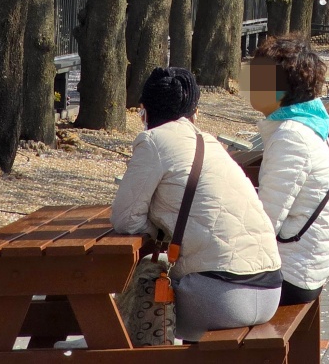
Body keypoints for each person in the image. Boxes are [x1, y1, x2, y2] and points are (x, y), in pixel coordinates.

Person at [112, 67, 282, 339]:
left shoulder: (154, 141)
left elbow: (124, 219)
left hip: (221, 297)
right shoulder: (210, 143)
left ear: (144, 110)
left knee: (132, 303)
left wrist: (156, 225)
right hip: (271, 290)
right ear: (194, 112)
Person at [255, 36, 329, 306]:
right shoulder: (306, 124)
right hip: (304, 264)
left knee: (190, 288)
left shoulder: (291, 136)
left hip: (292, 275)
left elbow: (265, 223)